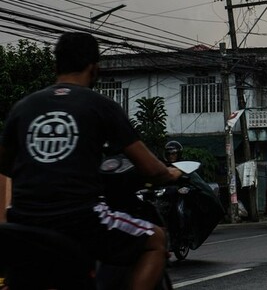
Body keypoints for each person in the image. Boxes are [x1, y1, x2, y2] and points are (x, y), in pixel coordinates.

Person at [0, 32, 182, 289]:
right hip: (81, 222)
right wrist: (170, 174)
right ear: (94, 68)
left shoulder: (22, 107)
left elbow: (5, 166)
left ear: (56, 66)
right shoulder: (101, 106)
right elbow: (151, 169)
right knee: (155, 240)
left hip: (23, 223)